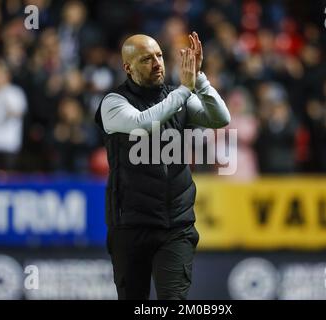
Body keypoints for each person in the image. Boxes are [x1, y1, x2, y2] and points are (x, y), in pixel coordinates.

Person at [94, 32, 230, 300]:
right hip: (131, 225)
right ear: (128, 67)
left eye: (158, 56)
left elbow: (220, 118)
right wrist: (184, 90)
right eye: (146, 59)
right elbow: (143, 123)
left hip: (176, 225)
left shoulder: (177, 97)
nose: (157, 63)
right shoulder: (113, 103)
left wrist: (199, 79)